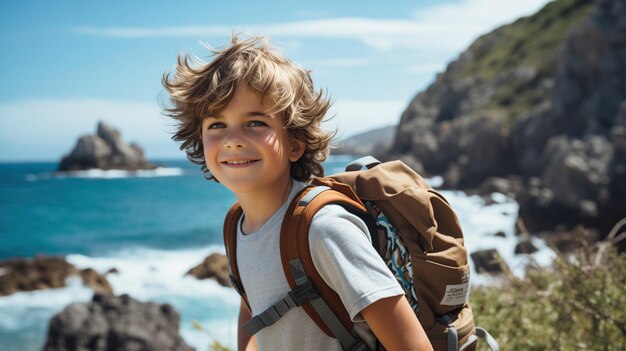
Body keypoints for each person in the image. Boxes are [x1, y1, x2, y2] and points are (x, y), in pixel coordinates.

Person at [162, 34, 433, 351]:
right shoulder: (236, 225)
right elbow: (253, 309)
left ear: (295, 144)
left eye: (255, 123)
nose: (232, 140)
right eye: (217, 125)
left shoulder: (324, 229)